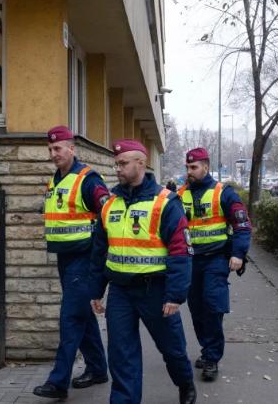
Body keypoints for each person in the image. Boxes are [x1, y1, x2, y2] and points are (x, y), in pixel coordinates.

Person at [90, 139, 197, 404]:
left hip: (157, 291)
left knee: (172, 349)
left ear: (141, 162)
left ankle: (185, 383)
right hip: (121, 292)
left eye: (123, 163)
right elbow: (100, 251)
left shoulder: (165, 202)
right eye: (116, 164)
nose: (118, 168)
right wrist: (96, 290)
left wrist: (175, 295)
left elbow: (180, 251)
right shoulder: (110, 203)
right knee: (121, 354)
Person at [33, 125, 109, 400]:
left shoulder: (87, 179)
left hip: (84, 258)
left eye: (58, 148)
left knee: (71, 318)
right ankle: (98, 368)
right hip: (65, 258)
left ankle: (58, 382)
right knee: (82, 315)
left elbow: (108, 212)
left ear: (72, 148)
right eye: (51, 149)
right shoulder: (57, 179)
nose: (54, 154)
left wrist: (99, 254)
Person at [178, 147, 252, 382]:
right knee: (196, 308)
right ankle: (206, 348)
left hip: (216, 259)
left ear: (206, 167)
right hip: (191, 262)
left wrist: (238, 254)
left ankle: (211, 358)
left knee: (212, 307)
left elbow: (242, 225)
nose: (189, 171)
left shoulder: (224, 194)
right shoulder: (180, 195)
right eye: (187, 167)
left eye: (194, 167)